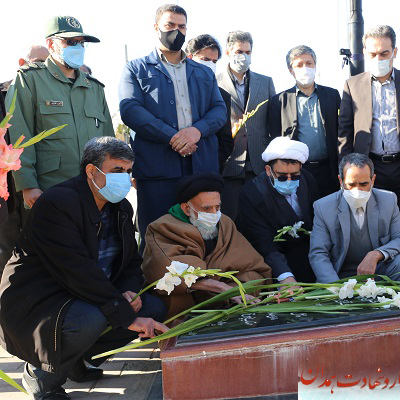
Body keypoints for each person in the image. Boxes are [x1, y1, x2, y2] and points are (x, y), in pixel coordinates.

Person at [0, 137, 168, 400]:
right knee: (92, 319)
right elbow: (75, 270)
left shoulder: (121, 208)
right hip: (41, 300)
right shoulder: (58, 203)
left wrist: (128, 292)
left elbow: (131, 263)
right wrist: (123, 313)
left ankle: (73, 361)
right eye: (117, 170)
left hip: (87, 295)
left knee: (151, 307)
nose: (124, 178)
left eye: (128, 171)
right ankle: (41, 377)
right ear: (91, 171)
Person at [119, 4, 227, 250]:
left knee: (205, 235)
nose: (176, 31)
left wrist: (196, 131)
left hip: (201, 166)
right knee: (158, 237)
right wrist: (172, 137)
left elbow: (219, 110)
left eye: (181, 26)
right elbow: (130, 109)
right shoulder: (136, 68)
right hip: (157, 169)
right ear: (156, 27)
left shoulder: (203, 72)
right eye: (170, 25)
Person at [6, 16, 114, 210]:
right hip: (50, 190)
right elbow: (20, 135)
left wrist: (112, 180)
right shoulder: (29, 80)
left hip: (93, 191)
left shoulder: (94, 88)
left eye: (81, 43)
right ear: (51, 44)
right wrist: (28, 185)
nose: (77, 47)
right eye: (70, 42)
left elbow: (108, 141)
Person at [142, 172, 271, 318]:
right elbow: (165, 268)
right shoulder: (162, 227)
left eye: (218, 207)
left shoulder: (225, 222)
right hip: (191, 294)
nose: (214, 214)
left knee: (253, 277)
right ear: (186, 209)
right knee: (175, 291)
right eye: (207, 209)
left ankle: (231, 313)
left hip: (224, 289)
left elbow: (249, 262)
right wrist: (220, 287)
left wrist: (230, 290)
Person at [338, 25, 400, 218]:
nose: (378, 59)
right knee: (373, 220)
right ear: (364, 52)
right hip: (369, 167)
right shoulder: (352, 85)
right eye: (372, 54)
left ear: (394, 52)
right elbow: (345, 133)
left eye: (384, 53)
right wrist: (346, 170)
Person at [309, 153, 400, 283]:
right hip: (341, 275)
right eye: (351, 184)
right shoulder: (324, 207)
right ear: (341, 181)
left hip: (377, 271)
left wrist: (376, 254)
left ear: (373, 180)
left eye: (364, 184)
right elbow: (318, 254)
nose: (357, 190)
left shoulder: (388, 200)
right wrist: (336, 287)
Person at [239, 137, 319, 285]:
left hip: (309, 254)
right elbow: (261, 239)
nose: (289, 181)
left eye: (294, 176)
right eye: (282, 177)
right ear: (268, 171)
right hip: (274, 260)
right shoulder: (252, 193)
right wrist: (284, 275)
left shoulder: (307, 180)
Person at [0, 46, 51, 271]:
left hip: (39, 186)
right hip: (7, 192)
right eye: (39, 62)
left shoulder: (52, 97)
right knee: (5, 250)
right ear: (22, 62)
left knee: (37, 249)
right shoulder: (3, 93)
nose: (43, 69)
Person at [268, 45, 341, 197]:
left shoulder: (332, 95)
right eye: (299, 65)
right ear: (291, 70)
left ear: (315, 65)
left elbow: (341, 130)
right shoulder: (279, 100)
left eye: (309, 63)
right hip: (297, 172)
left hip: (329, 169)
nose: (305, 68)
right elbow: (275, 138)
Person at [218, 30, 276, 220]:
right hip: (229, 163)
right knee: (230, 219)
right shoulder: (215, 82)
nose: (243, 56)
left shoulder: (265, 82)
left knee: (259, 219)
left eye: (248, 52)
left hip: (258, 163)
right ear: (228, 52)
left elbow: (273, 121)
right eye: (239, 52)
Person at [186, 34, 234, 173]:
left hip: (207, 169)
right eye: (205, 60)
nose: (210, 65)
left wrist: (212, 162)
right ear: (190, 58)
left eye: (214, 61)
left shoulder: (222, 96)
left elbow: (225, 140)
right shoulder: (173, 88)